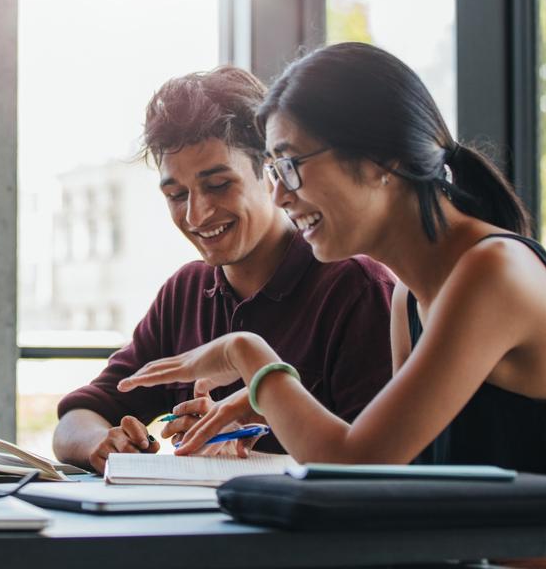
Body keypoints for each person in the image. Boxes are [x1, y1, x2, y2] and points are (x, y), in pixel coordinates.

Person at [118, 43, 546, 565]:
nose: (280, 195)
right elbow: (391, 484)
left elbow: (353, 464)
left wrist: (249, 356)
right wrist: (269, 406)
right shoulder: (409, 298)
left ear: (381, 160)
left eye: (290, 165)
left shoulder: (493, 273)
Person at [52, 66, 395, 474]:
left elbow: (376, 464)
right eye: (176, 195)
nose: (196, 214)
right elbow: (78, 417)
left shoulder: (355, 288)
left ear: (271, 173)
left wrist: (256, 429)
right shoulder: (186, 292)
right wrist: (102, 443)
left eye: (217, 185)